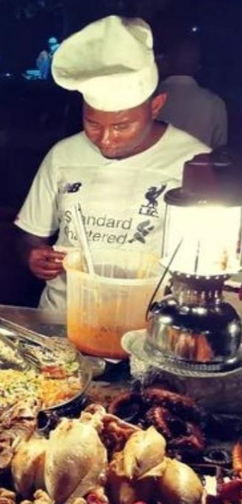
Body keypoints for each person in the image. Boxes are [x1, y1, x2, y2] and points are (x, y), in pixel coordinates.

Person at [15, 15, 209, 312]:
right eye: (92, 124)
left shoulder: (193, 162)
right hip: (60, 321)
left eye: (122, 126)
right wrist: (32, 255)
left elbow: (207, 262)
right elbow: (30, 235)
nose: (105, 139)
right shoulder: (63, 155)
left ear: (156, 106)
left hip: (147, 327)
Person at [157, 37, 227, 148]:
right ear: (197, 67)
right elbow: (220, 148)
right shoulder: (214, 103)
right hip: (198, 164)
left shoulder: (148, 99)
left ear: (165, 62)